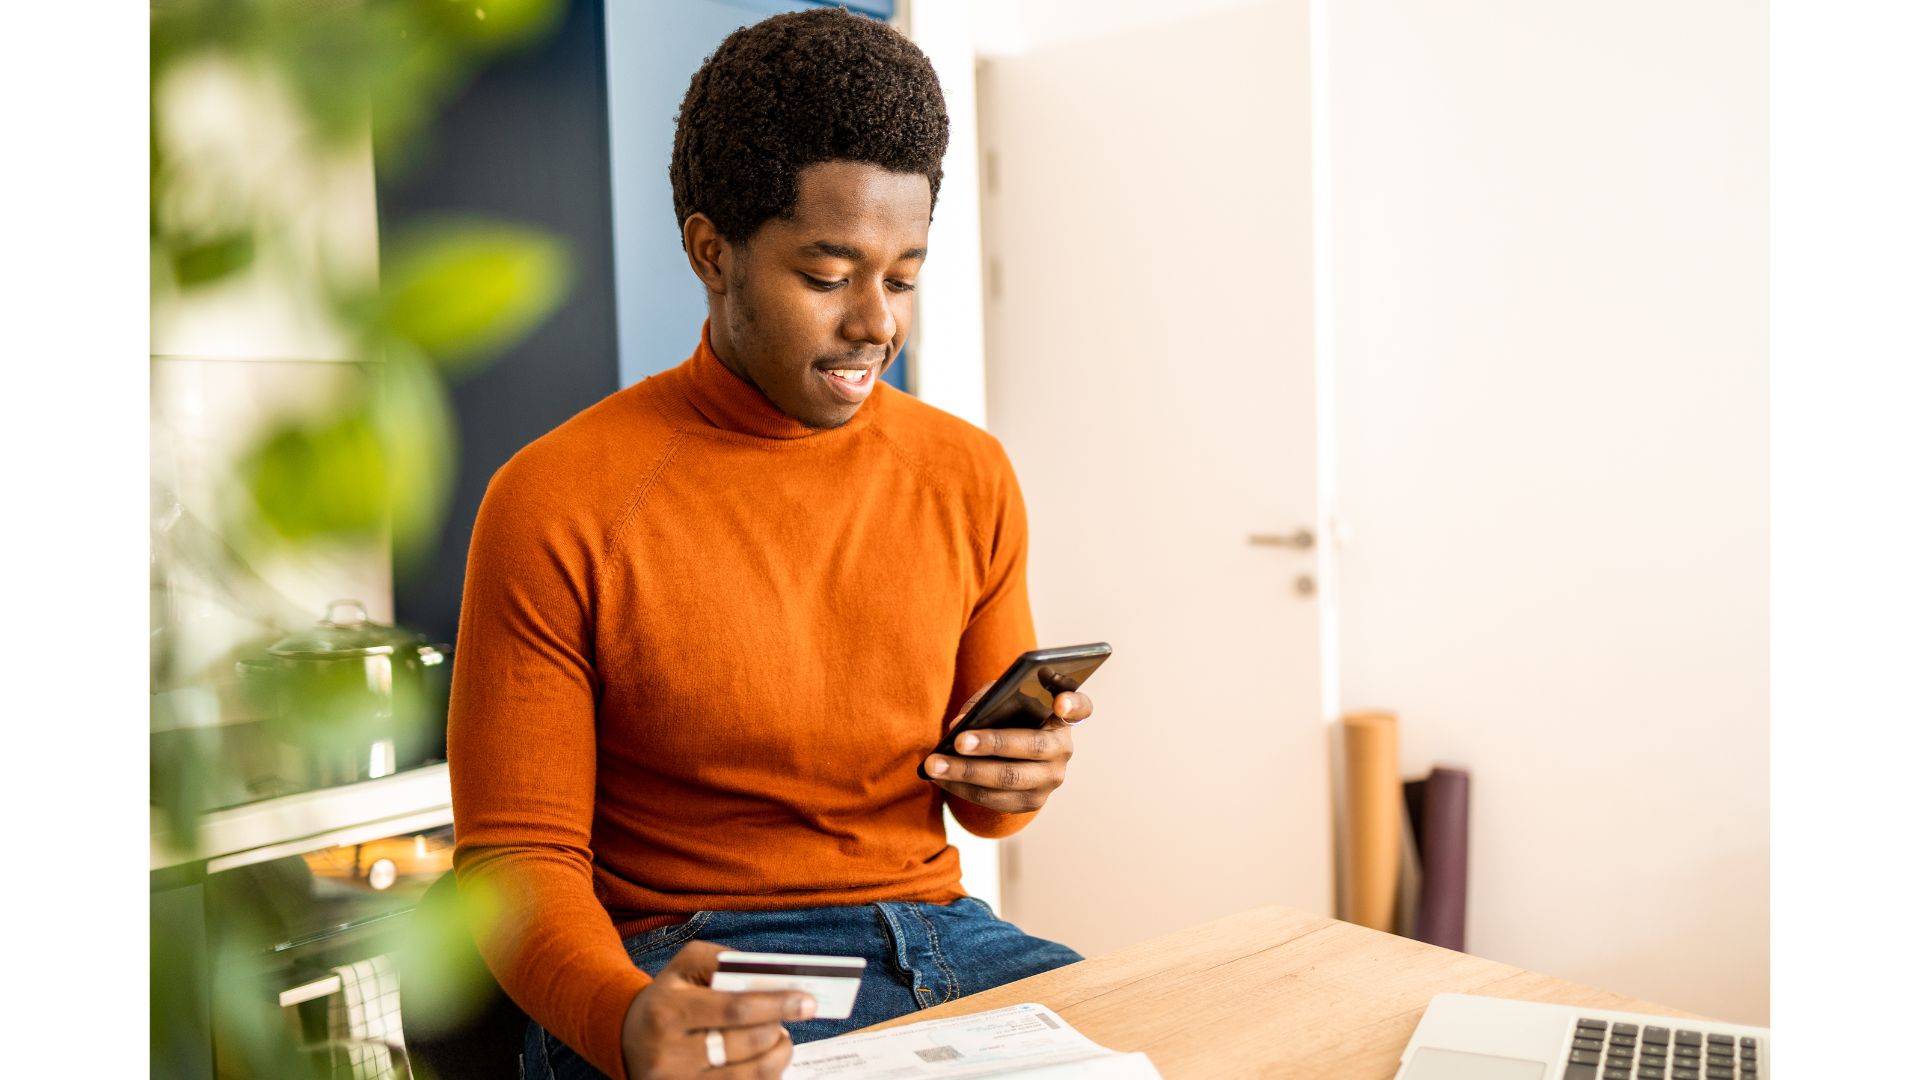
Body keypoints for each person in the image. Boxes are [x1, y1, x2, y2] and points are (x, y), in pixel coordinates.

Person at [448, 10, 1092, 1080]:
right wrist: (621, 1020)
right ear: (713, 251)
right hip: (698, 965)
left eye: (905, 274)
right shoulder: (556, 498)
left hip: (950, 944)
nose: (877, 324)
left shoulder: (967, 473)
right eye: (829, 275)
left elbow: (980, 806)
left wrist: (1022, 772)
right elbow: (516, 858)